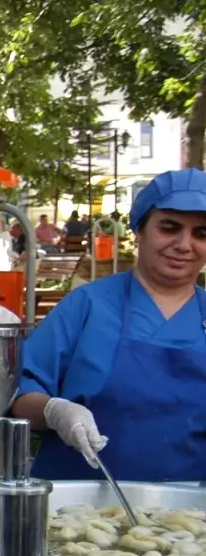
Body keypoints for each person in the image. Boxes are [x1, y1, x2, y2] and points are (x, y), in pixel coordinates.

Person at [12, 168, 206, 481]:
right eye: (169, 228)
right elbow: (20, 394)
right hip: (76, 512)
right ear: (139, 230)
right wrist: (54, 411)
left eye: (201, 234)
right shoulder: (87, 305)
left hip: (189, 517)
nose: (185, 244)